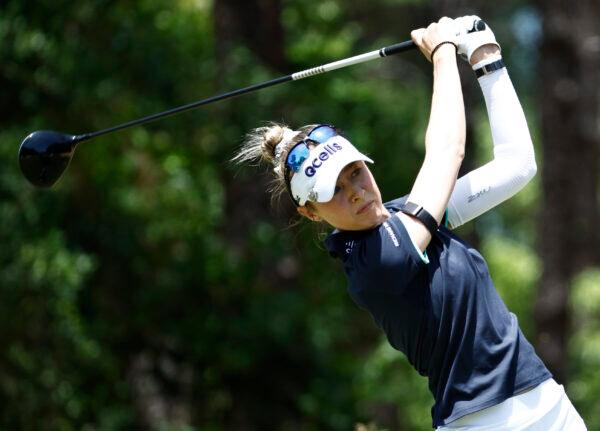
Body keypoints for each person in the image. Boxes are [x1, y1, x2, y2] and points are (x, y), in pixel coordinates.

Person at [233, 16, 587, 430]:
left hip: (547, 402)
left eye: (355, 172)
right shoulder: (374, 262)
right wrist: (442, 53)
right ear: (310, 212)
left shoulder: (411, 215)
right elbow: (447, 152)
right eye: (333, 190)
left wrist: (486, 57)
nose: (356, 192)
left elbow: (516, 167)